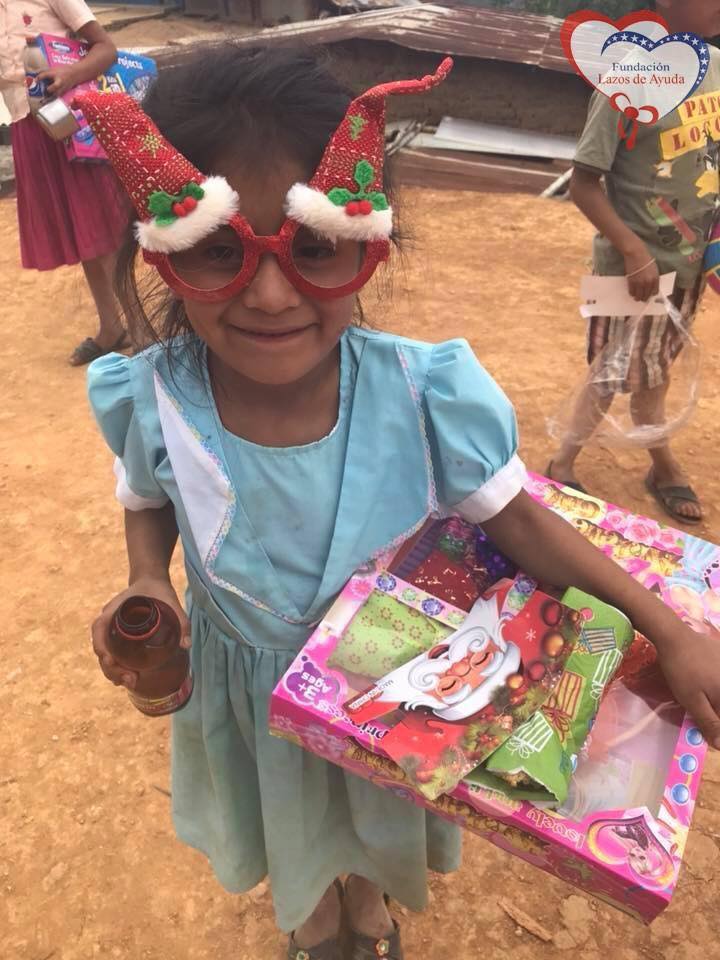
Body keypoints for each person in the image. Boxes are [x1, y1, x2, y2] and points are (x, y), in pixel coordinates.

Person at [84, 46, 720, 960]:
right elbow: (146, 493)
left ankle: (370, 901)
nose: (271, 294)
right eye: (220, 251)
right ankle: (313, 913)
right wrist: (148, 577)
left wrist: (671, 630)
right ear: (162, 249)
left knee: (375, 815)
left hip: (394, 690)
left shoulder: (426, 396)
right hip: (247, 691)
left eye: (313, 247)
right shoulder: (150, 396)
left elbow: (524, 521)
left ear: (369, 243)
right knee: (289, 818)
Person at [547, 0, 720, 525]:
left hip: (691, 263)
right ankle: (563, 465)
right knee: (609, 371)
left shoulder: (716, 66)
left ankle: (659, 464)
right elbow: (583, 184)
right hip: (632, 269)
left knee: (656, 366)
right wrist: (632, 250)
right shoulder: (628, 77)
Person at [0, 0, 129, 365]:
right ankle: (111, 327)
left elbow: (106, 48)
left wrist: (69, 74)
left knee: (102, 223)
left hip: (73, 121)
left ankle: (139, 324)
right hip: (29, 126)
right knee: (80, 226)